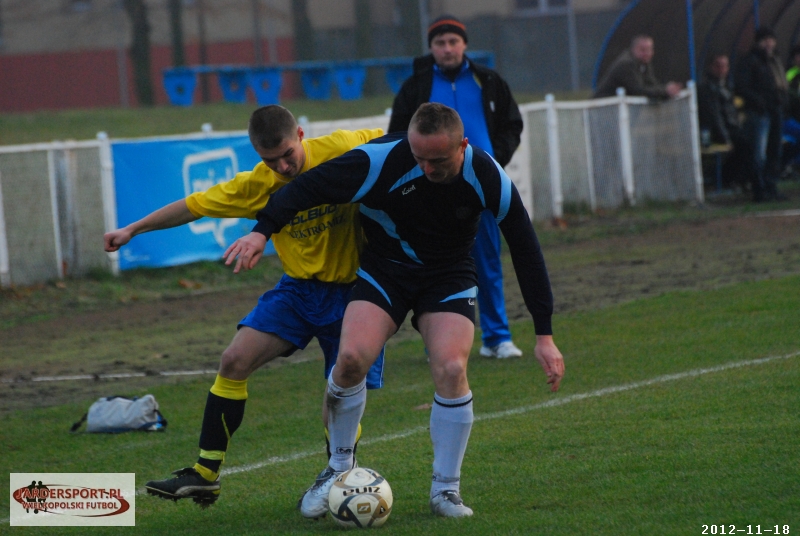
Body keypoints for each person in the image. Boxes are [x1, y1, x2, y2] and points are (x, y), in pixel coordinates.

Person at [224, 103, 565, 519]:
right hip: (386, 271)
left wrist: (544, 335)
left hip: (448, 276)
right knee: (351, 359)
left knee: (451, 368)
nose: (425, 168)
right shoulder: (380, 159)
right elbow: (304, 188)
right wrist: (262, 232)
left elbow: (526, 249)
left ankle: (446, 491)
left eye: (437, 160)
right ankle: (338, 470)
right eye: (418, 157)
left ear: (463, 146)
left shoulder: (487, 174)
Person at [103, 105, 386, 507]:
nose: (283, 167)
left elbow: (399, 141)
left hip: (355, 293)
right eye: (271, 160)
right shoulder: (256, 184)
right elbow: (193, 205)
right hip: (298, 292)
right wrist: (132, 229)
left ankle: (337, 477)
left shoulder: (342, 147)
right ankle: (205, 475)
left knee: (336, 398)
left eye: (288, 155)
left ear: (301, 135)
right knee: (234, 360)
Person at [388, 14, 525, 359]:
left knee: (488, 262)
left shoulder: (488, 80)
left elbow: (512, 124)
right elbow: (397, 136)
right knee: (432, 266)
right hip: (430, 192)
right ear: (431, 47)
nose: (447, 48)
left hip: (479, 188)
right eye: (440, 43)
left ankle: (497, 338)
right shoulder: (414, 86)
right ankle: (437, 341)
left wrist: (494, 160)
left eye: (453, 42)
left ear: (464, 44)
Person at [734, 26, 789, 201]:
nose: (769, 43)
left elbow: (781, 85)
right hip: (758, 113)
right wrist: (759, 102)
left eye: (771, 40)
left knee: (774, 151)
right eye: (765, 40)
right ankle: (759, 190)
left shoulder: (774, 61)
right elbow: (741, 87)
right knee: (758, 154)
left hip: (775, 110)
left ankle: (771, 187)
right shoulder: (749, 61)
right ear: (758, 42)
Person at [697, 54, 750, 190]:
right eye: (718, 66)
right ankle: (727, 179)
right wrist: (725, 137)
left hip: (729, 128)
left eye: (724, 66)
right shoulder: (707, 88)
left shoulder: (726, 86)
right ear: (711, 67)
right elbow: (714, 116)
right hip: (715, 132)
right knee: (743, 144)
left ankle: (737, 180)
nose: (721, 70)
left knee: (749, 141)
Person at [594, 35, 683, 99]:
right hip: (603, 110)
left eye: (650, 49)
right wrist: (665, 91)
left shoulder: (644, 63)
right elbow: (638, 90)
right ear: (633, 49)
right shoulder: (626, 64)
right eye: (643, 50)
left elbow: (651, 84)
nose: (647, 53)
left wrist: (666, 89)